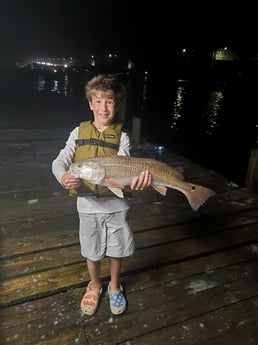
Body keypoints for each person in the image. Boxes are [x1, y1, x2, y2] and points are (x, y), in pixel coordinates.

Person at [52, 74, 151, 316]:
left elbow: (125, 168)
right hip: (87, 206)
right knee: (92, 250)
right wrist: (63, 177)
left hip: (116, 207)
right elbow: (60, 161)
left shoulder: (122, 137)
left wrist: (133, 184)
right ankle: (95, 285)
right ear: (90, 104)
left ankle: (114, 285)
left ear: (115, 106)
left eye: (109, 101)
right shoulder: (78, 132)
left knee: (116, 250)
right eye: (98, 101)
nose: (103, 107)